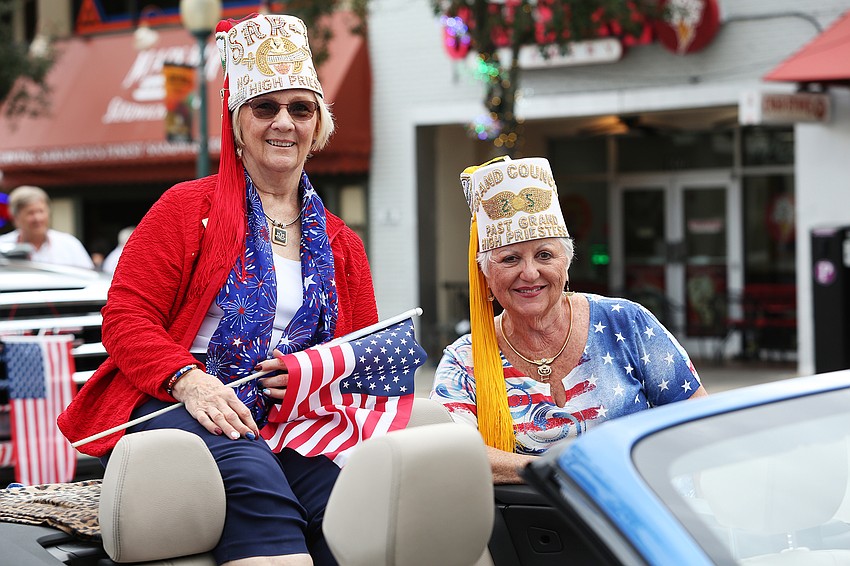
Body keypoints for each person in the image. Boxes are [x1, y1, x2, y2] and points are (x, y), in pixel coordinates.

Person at [58, 13, 378, 566]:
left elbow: (362, 352)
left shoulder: (343, 242)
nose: (284, 122)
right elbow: (126, 318)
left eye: (300, 108)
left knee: (353, 507)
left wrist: (320, 382)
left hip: (295, 413)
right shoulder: (187, 207)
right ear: (237, 121)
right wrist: (191, 382)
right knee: (256, 482)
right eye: (265, 107)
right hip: (187, 397)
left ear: (318, 126)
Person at [430, 156, 707, 484]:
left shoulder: (627, 322)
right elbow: (451, 453)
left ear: (567, 262)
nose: (530, 273)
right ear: (485, 277)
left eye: (544, 255)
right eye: (510, 259)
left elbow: (698, 421)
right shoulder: (465, 360)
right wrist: (561, 475)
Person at [0, 185, 94, 269]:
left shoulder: (69, 244)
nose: (37, 218)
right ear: (15, 217)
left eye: (41, 211)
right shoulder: (3, 246)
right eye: (30, 213)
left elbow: (89, 278)